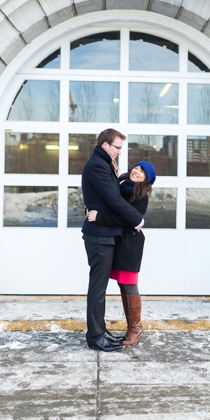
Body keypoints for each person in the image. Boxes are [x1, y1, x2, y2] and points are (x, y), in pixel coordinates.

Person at [81, 129, 144, 352]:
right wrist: (137, 218)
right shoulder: (98, 165)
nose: (119, 152)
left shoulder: (104, 162)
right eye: (117, 147)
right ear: (105, 145)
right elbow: (113, 198)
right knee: (97, 288)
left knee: (100, 287)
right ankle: (95, 336)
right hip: (99, 236)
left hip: (104, 234)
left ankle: (99, 330)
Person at [87, 161, 156, 346]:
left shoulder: (141, 196)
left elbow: (125, 219)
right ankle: (131, 327)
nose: (136, 171)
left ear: (146, 179)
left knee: (130, 284)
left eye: (142, 171)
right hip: (117, 241)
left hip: (130, 244)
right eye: (136, 167)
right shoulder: (121, 187)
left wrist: (99, 217)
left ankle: (136, 327)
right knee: (122, 284)